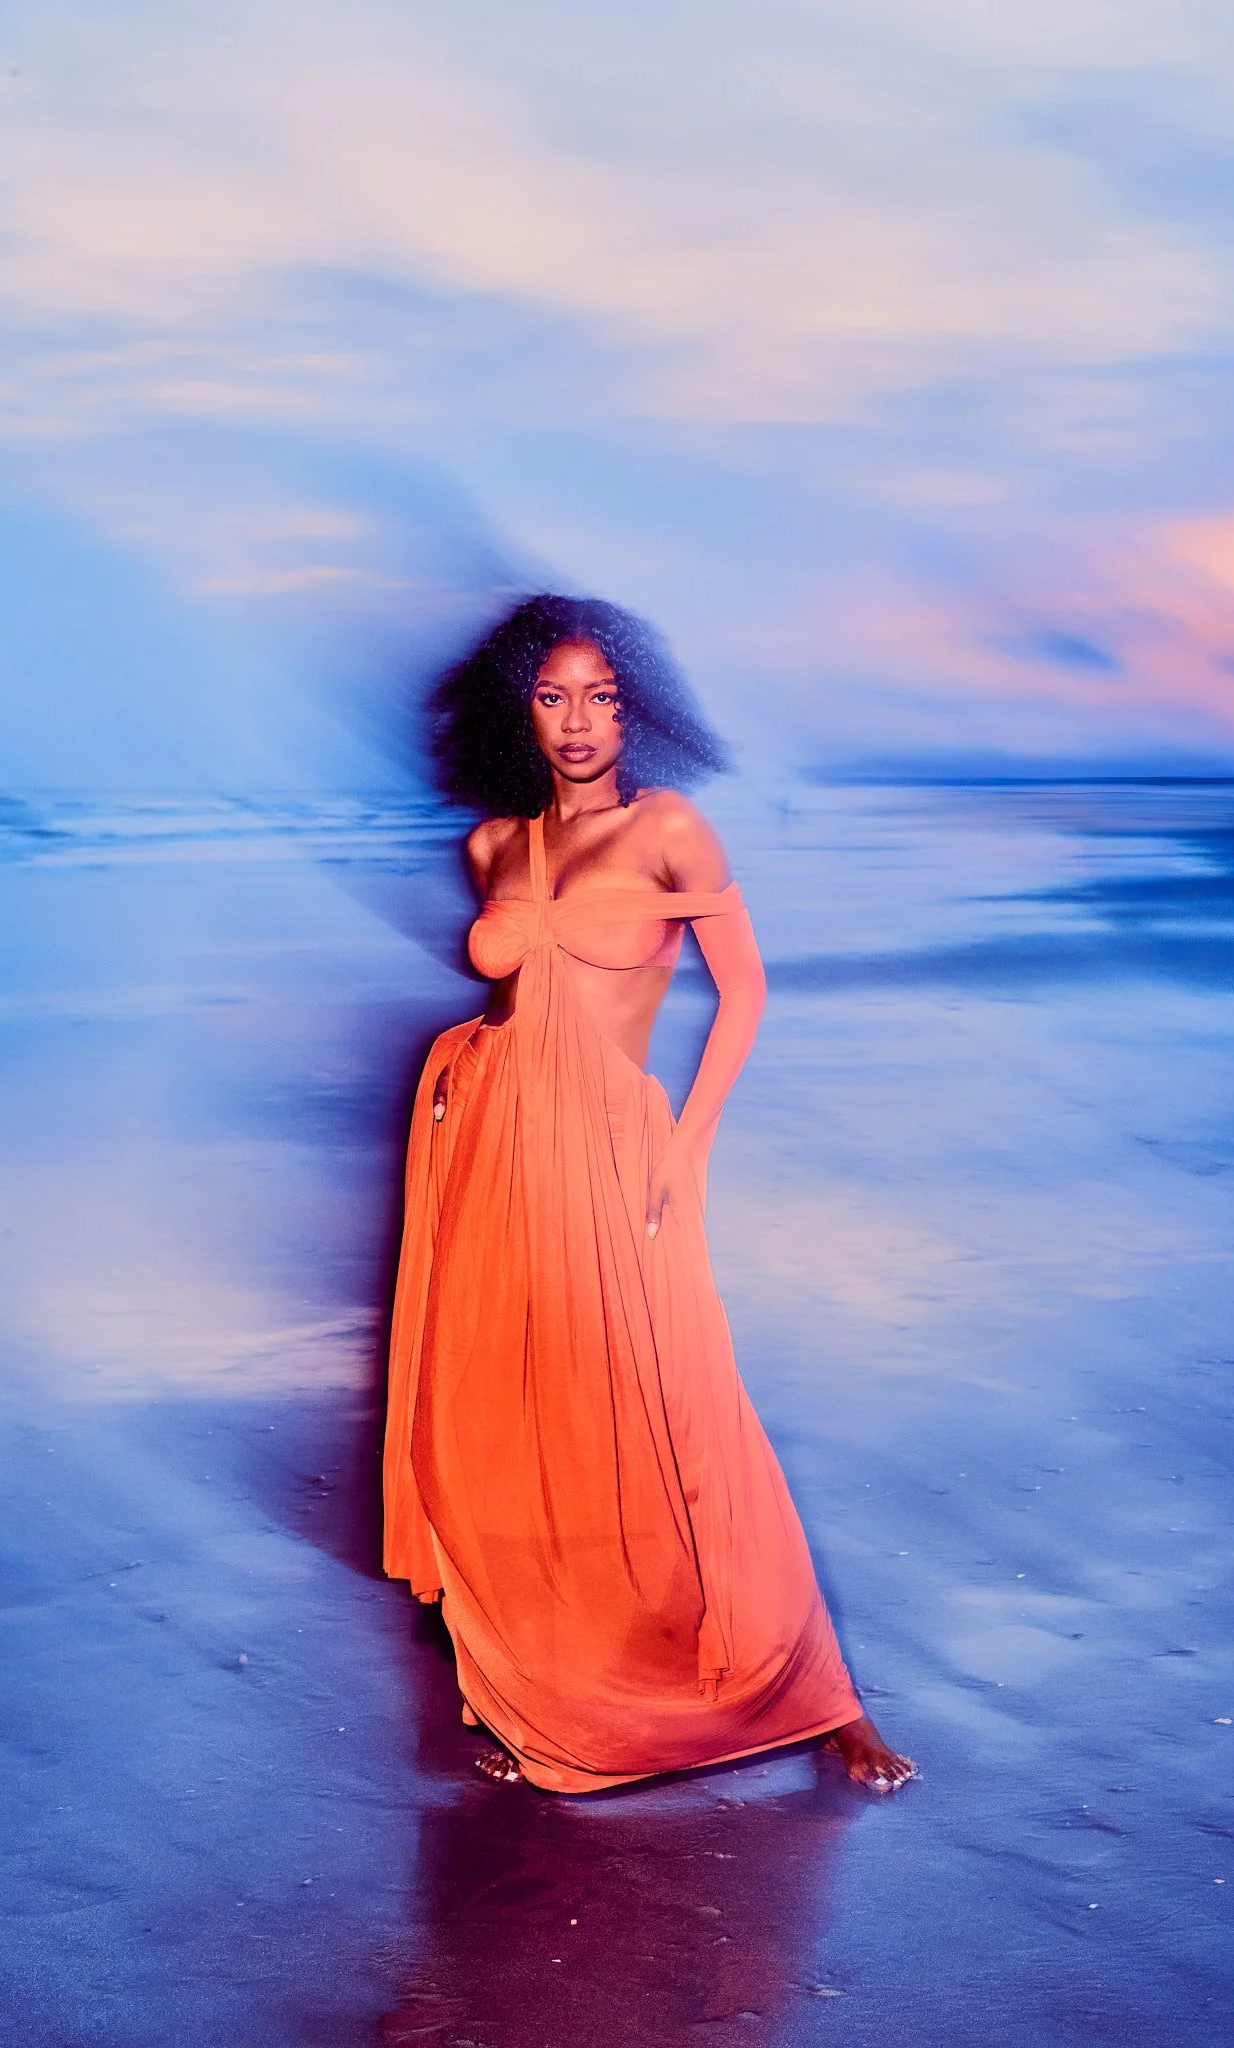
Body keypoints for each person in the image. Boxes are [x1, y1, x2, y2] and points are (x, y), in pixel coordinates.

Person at [383, 594, 915, 1796]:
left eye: (603, 695)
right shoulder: (494, 846)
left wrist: (688, 1143)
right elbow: (514, 1003)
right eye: (555, 696)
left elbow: (744, 993)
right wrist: (462, 1079)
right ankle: (540, 1671)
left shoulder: (670, 828)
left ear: (637, 709)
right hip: (490, 1150)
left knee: (685, 1408)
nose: (579, 720)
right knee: (509, 1409)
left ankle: (823, 1697)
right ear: (523, 708)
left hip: (615, 1146)